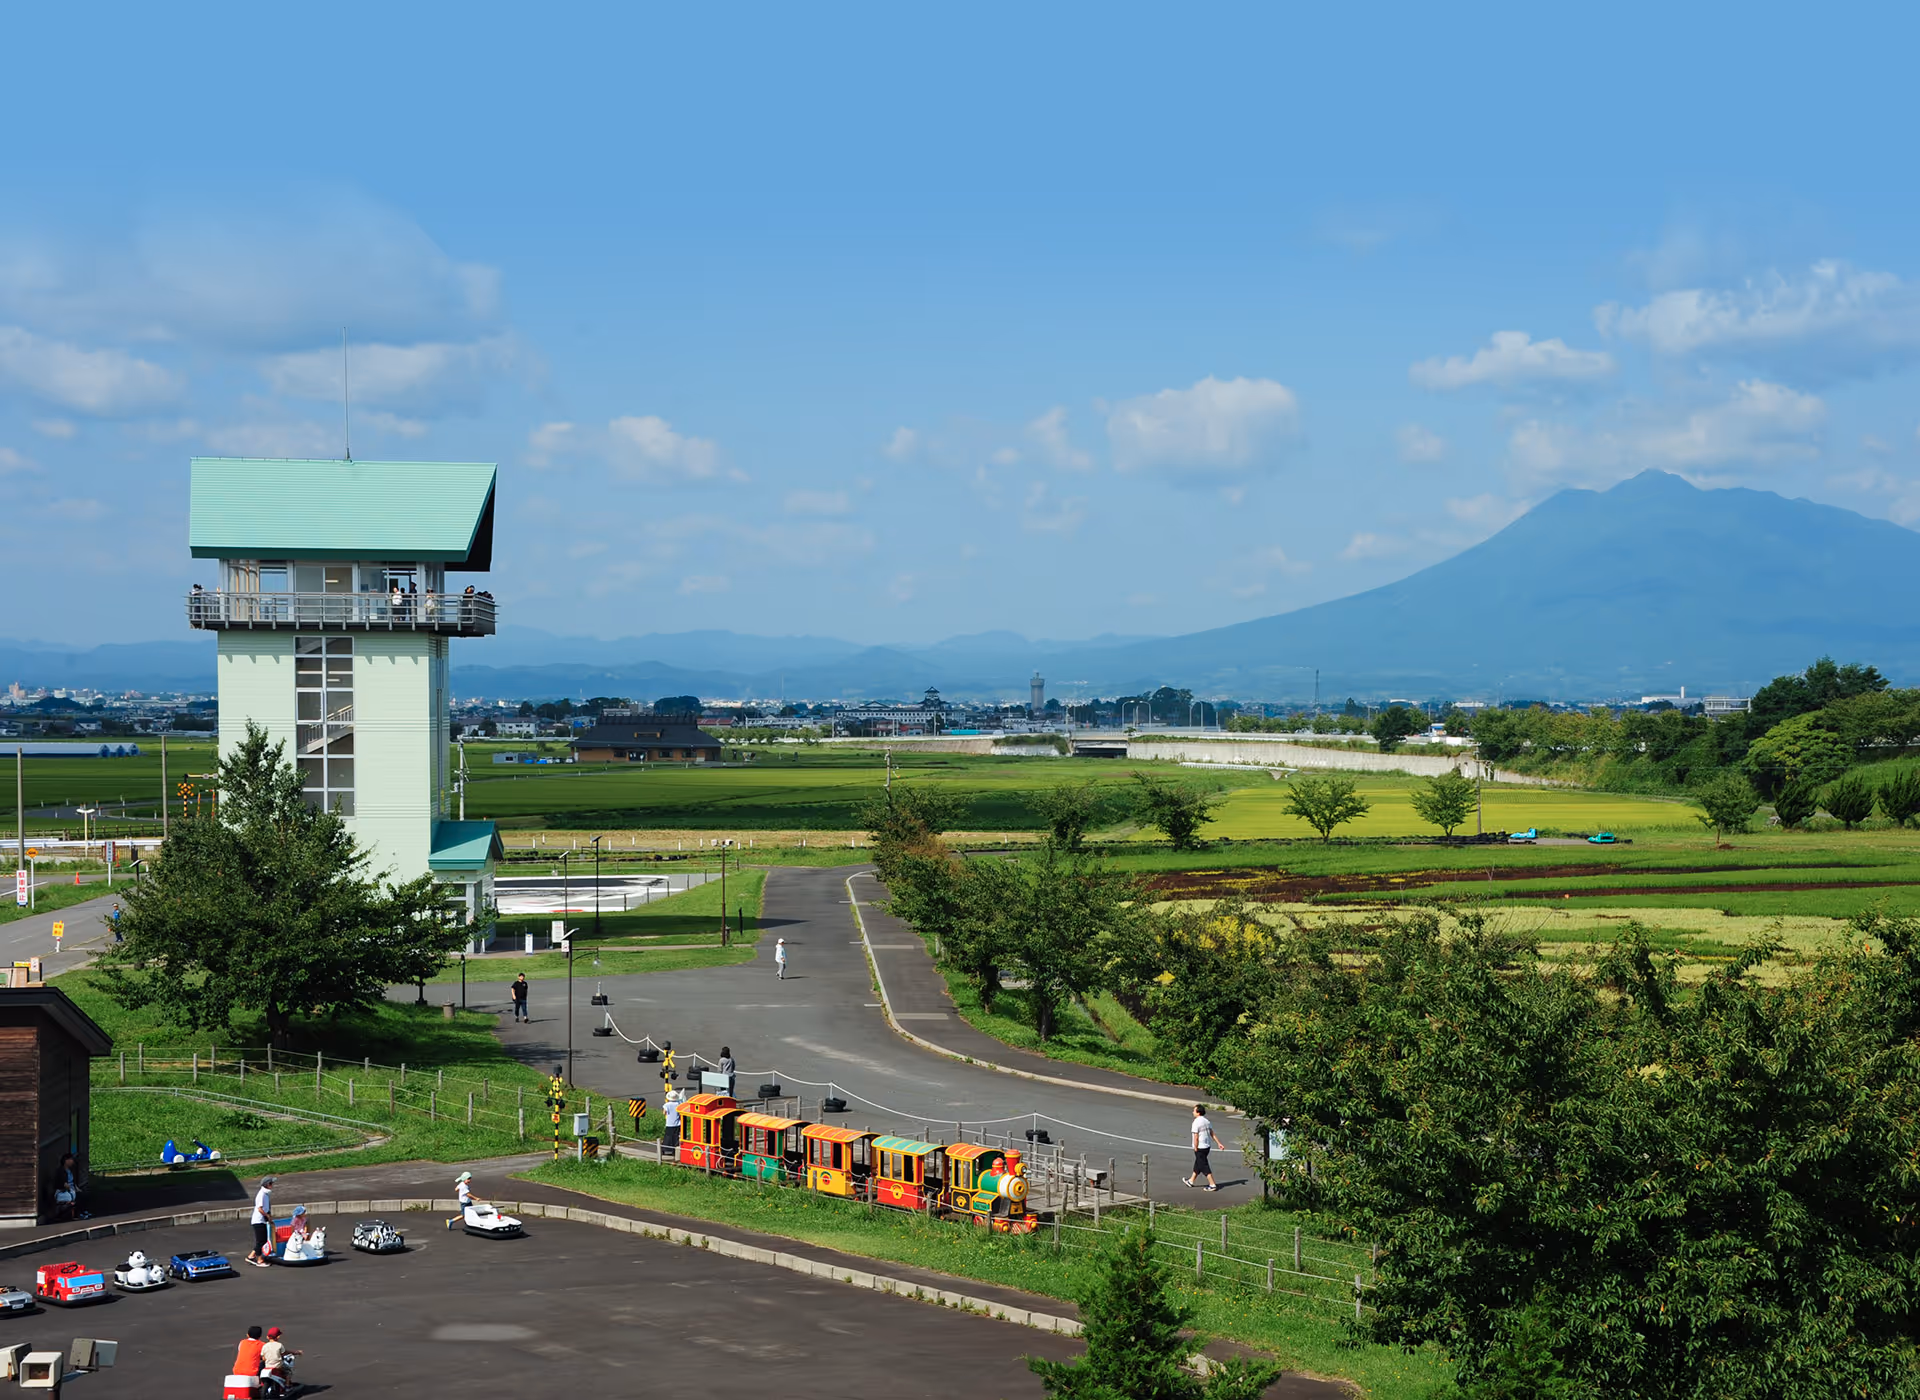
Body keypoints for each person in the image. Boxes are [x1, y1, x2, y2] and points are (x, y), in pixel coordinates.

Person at [1184, 1104, 1218, 1191]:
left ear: (1198, 1112)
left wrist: (1195, 1147)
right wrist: (1219, 1143)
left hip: (1200, 1147)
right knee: (1198, 1163)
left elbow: (1196, 1136)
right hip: (1207, 1147)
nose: (1193, 1112)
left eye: (1194, 1110)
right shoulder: (1207, 1121)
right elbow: (1212, 1133)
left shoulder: (1196, 1122)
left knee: (1203, 1165)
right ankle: (1191, 1181)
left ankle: (1212, 1184)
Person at [246, 1175, 276, 1266]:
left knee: (262, 1240)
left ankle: (251, 1256)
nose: (272, 1185)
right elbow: (260, 1208)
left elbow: (267, 1208)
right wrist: (267, 1216)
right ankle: (259, 1260)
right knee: (261, 1241)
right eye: (271, 1183)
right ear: (267, 1184)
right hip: (258, 1220)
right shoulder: (262, 1194)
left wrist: (269, 1217)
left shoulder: (266, 1194)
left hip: (262, 1220)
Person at [259, 1326, 300, 1393]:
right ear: (278, 1337)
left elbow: (263, 1358)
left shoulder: (265, 1346)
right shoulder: (279, 1345)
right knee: (288, 1371)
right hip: (278, 1365)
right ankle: (287, 1386)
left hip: (268, 1366)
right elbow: (283, 1353)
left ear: (267, 1337)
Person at [662, 1087, 684, 1153]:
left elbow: (664, 1112)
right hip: (677, 1123)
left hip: (669, 1123)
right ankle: (675, 1149)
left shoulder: (667, 1105)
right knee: (676, 1137)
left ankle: (666, 1149)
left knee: (668, 1137)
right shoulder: (678, 1104)